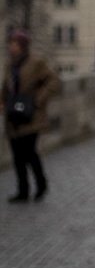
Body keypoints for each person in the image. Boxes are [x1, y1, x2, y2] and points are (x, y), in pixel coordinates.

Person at [3, 30, 61, 203]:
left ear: (22, 46)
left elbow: (54, 82)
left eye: (14, 44)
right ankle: (23, 191)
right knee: (17, 155)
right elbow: (5, 88)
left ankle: (41, 185)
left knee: (29, 152)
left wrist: (38, 99)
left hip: (31, 116)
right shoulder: (9, 65)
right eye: (10, 44)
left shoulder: (36, 63)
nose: (11, 47)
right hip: (13, 116)